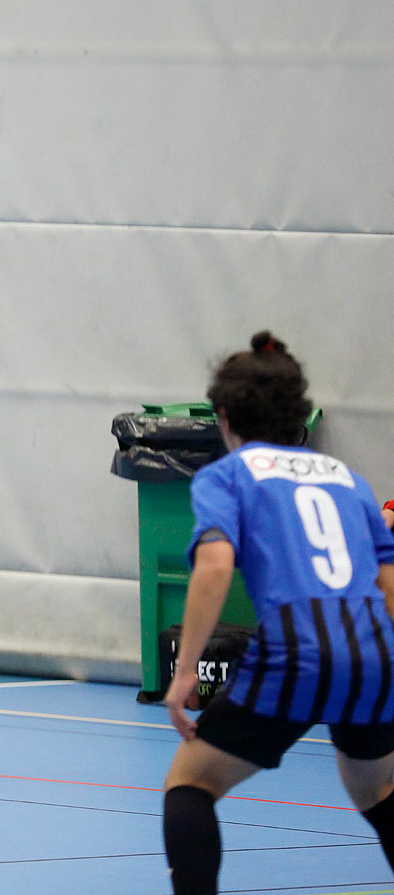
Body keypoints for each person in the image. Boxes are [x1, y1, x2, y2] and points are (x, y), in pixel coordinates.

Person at [161, 331, 394, 894]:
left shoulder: (228, 475)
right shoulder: (349, 479)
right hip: (373, 652)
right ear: (298, 414)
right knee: (376, 792)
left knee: (191, 783)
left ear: (223, 416)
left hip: (296, 649)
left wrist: (186, 669)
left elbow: (215, 568)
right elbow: (388, 582)